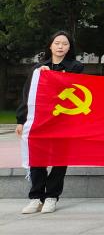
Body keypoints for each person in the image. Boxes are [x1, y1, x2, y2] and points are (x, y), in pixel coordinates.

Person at [17, 31, 86, 214]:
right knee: (37, 158)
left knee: (59, 159)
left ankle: (51, 197)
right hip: (40, 121)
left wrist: (54, 77)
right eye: (57, 43)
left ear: (69, 47)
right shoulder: (38, 68)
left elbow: (75, 90)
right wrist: (21, 120)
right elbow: (28, 95)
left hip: (64, 121)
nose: (60, 46)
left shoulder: (76, 67)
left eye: (64, 43)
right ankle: (36, 197)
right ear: (50, 46)